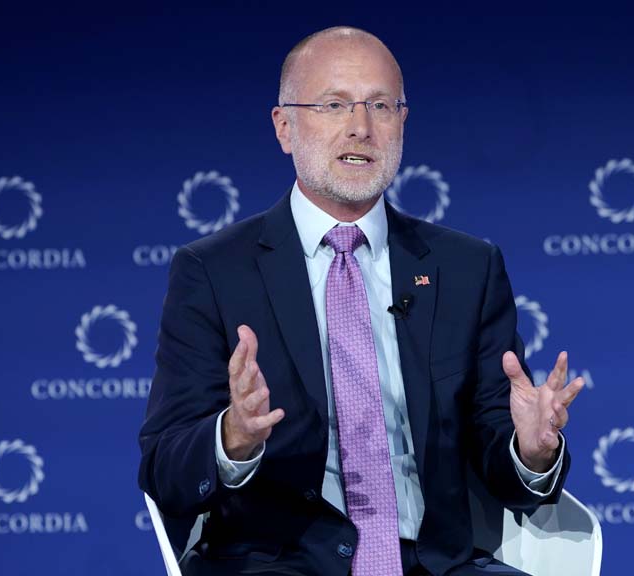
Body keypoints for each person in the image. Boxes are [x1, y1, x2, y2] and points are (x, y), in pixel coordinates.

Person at [138, 26, 584, 576]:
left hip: (436, 565)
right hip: (278, 564)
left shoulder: (466, 268)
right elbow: (164, 465)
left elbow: (499, 446)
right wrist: (232, 438)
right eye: (333, 104)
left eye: (381, 105)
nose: (361, 128)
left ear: (403, 121)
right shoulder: (214, 271)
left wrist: (531, 450)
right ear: (284, 127)